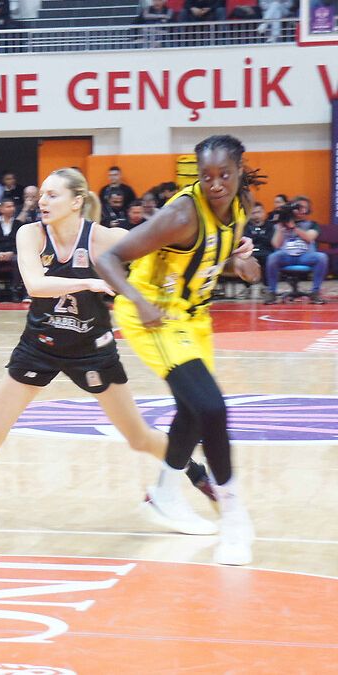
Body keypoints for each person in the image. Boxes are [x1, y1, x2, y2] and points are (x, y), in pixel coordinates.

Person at [0, 169, 218, 536]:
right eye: (41, 194)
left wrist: (228, 250)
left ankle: (195, 472)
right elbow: (35, 284)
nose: (42, 201)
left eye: (52, 195)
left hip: (93, 350)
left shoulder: (105, 237)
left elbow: (169, 248)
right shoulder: (30, 233)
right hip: (39, 345)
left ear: (76, 202)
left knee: (139, 437)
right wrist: (89, 281)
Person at [96, 135, 263, 566]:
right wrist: (138, 300)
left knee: (192, 410)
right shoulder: (182, 214)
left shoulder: (241, 204)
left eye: (224, 174)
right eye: (207, 176)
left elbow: (214, 256)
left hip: (193, 317)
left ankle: (164, 493)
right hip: (154, 315)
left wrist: (240, 263)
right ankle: (234, 516)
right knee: (211, 408)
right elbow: (109, 259)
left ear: (240, 171)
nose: (216, 184)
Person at [263, 196, 327, 304]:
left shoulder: (312, 224)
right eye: (298, 207)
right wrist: (281, 227)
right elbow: (276, 244)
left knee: (322, 257)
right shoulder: (280, 224)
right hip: (286, 256)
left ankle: (315, 292)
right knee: (272, 257)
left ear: (308, 210)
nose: (301, 210)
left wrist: (293, 227)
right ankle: (272, 293)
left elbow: (309, 238)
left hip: (306, 256)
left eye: (304, 207)